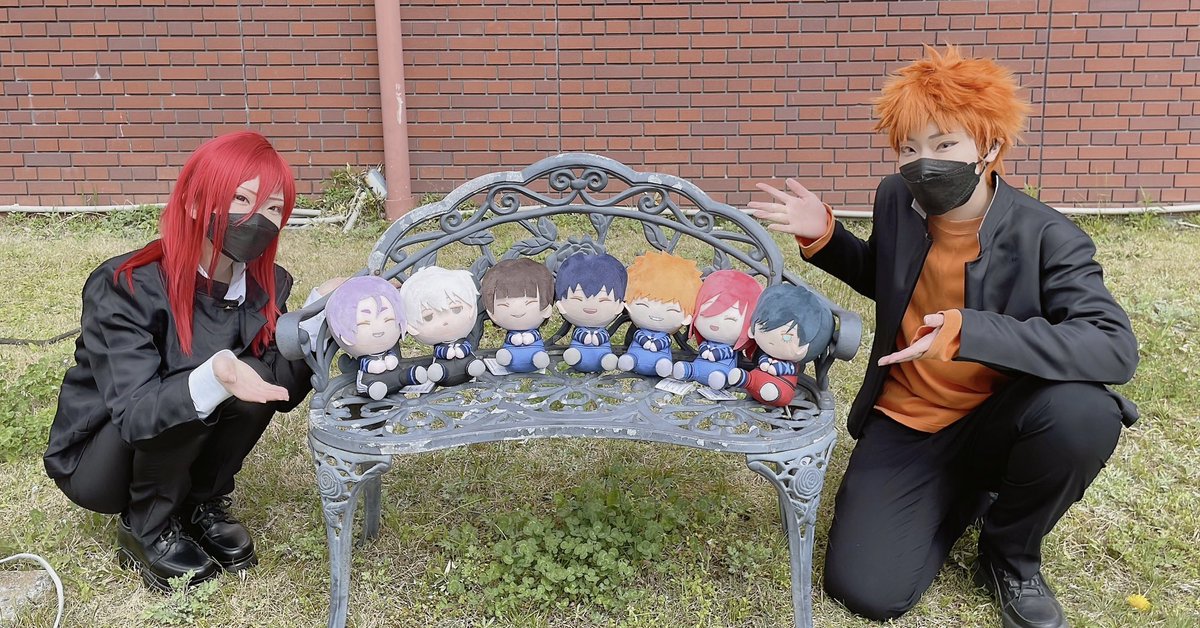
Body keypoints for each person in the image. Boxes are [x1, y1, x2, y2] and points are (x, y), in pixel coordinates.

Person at [749, 46, 1138, 628]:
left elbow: (1113, 346)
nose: (923, 162)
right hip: (907, 418)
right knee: (866, 591)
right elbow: (892, 278)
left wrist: (971, 332)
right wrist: (828, 237)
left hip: (999, 419)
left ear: (990, 147)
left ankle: (1009, 555)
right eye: (909, 148)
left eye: (945, 144)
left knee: (1084, 413)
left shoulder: (1048, 237)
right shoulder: (895, 200)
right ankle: (958, 496)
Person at [44, 131, 322, 592]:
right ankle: (145, 526)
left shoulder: (265, 284)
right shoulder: (126, 285)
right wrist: (213, 376)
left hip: (170, 442)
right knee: (195, 388)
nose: (257, 219)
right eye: (241, 199)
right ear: (195, 202)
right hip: (103, 456)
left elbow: (277, 387)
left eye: (273, 208)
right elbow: (136, 413)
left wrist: (321, 320)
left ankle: (199, 504)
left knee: (250, 381)